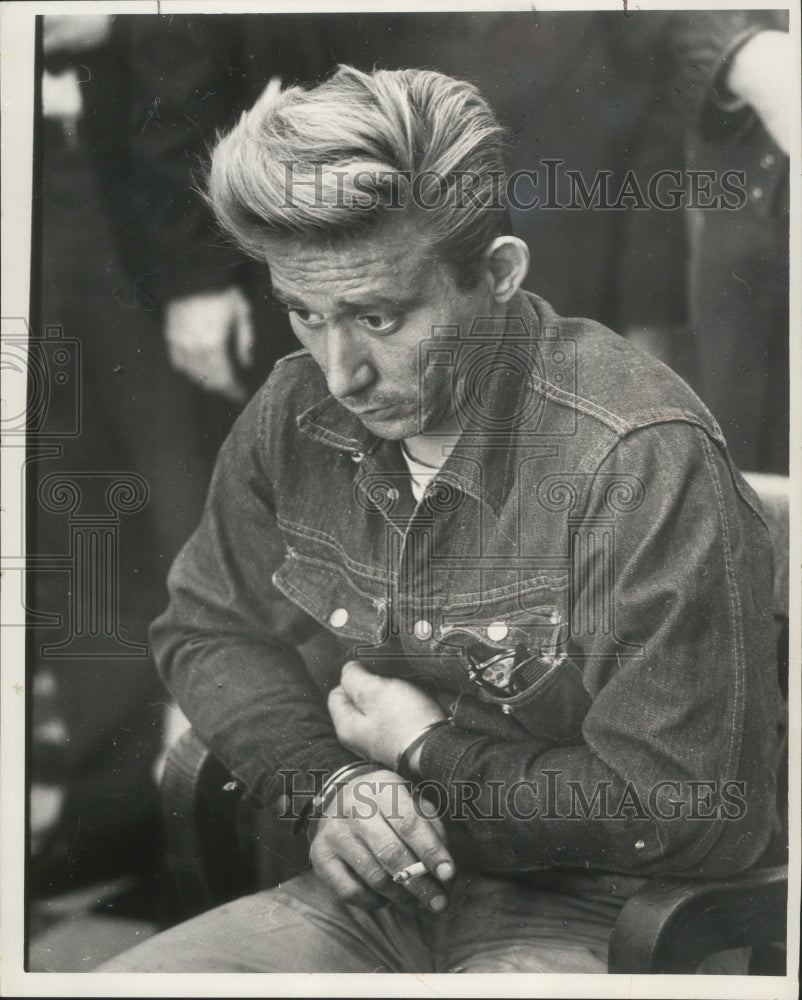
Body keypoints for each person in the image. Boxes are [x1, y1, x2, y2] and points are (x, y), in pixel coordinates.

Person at [101, 66, 780, 974]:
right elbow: (206, 627)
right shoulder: (295, 410)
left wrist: (422, 749)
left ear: (496, 274)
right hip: (368, 894)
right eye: (304, 313)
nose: (340, 372)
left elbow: (683, 811)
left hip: (600, 920)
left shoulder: (639, 457)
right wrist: (330, 785)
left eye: (378, 316)